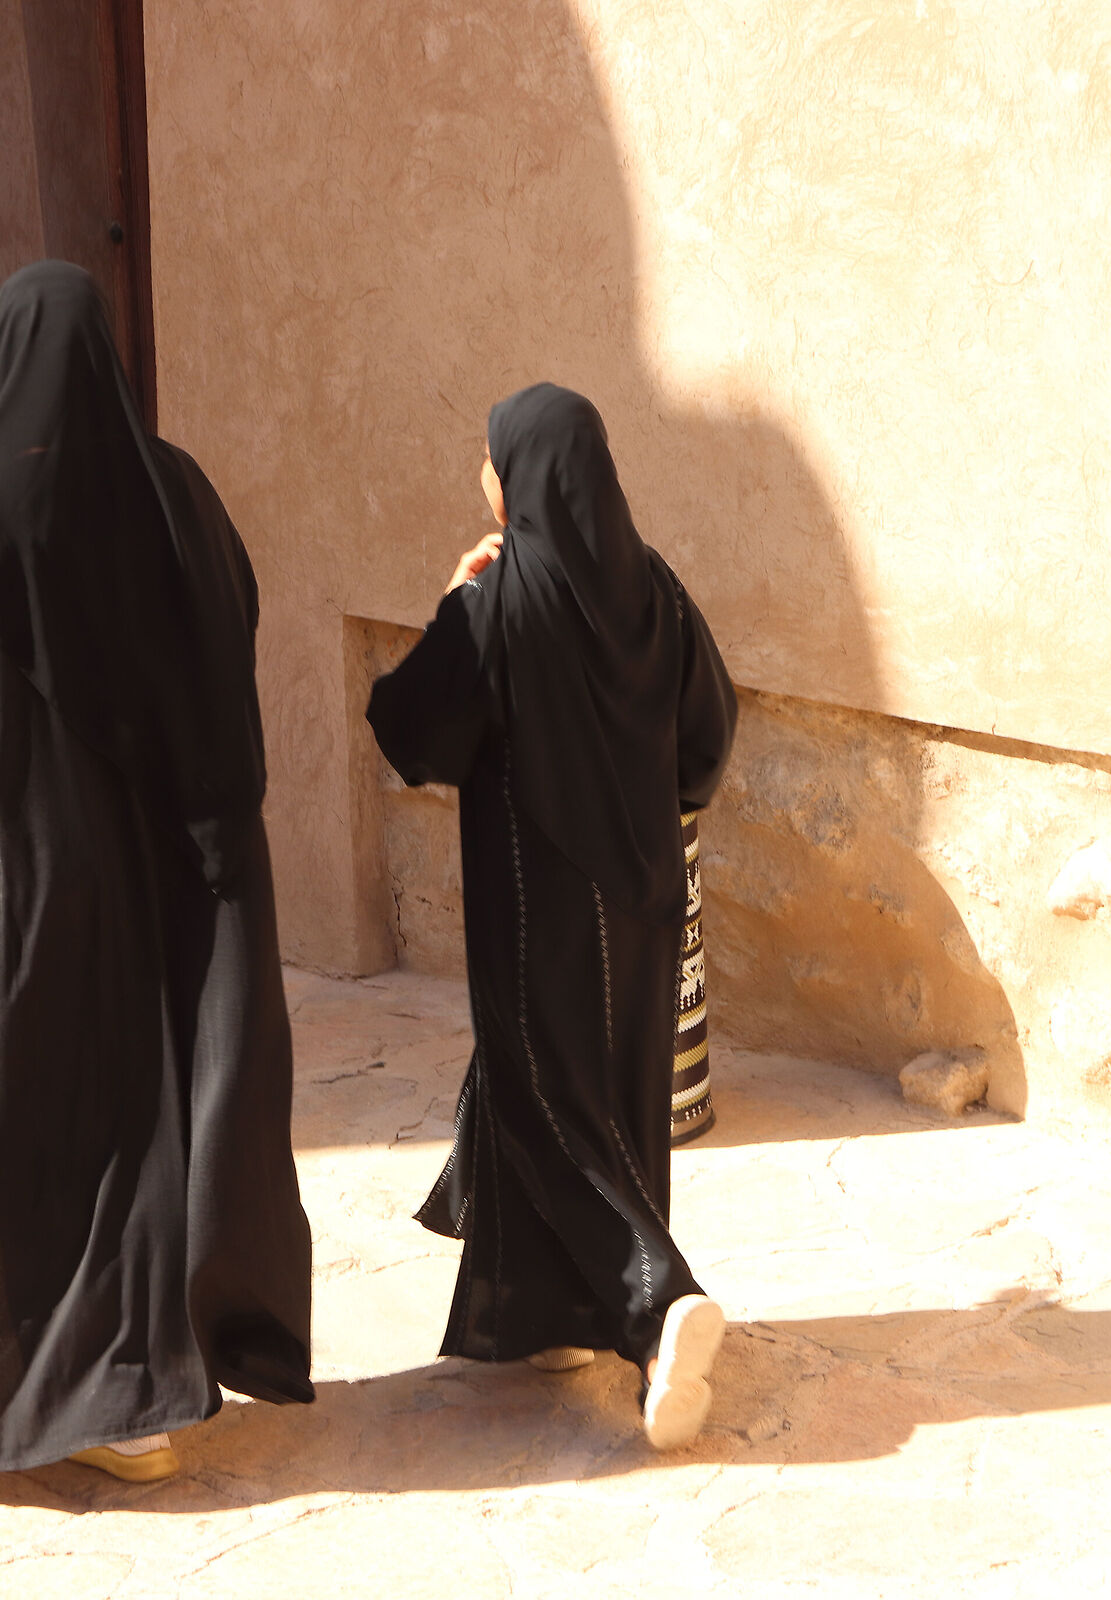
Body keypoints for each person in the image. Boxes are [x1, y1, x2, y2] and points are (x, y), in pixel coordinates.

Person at [0, 262, 313, 1485]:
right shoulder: (177, 491)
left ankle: (85, 1401)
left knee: (26, 1135)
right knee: (144, 1116)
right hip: (177, 876)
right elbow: (233, 629)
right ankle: (138, 1391)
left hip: (39, 891)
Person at [365, 383, 739, 1449]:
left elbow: (413, 729)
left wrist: (452, 600)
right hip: (646, 903)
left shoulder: (497, 596)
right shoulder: (654, 589)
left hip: (540, 908)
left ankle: (656, 1305)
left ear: (517, 475)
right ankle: (557, 1311)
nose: (482, 478)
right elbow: (708, 737)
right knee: (609, 1098)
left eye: (490, 460)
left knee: (548, 1105)